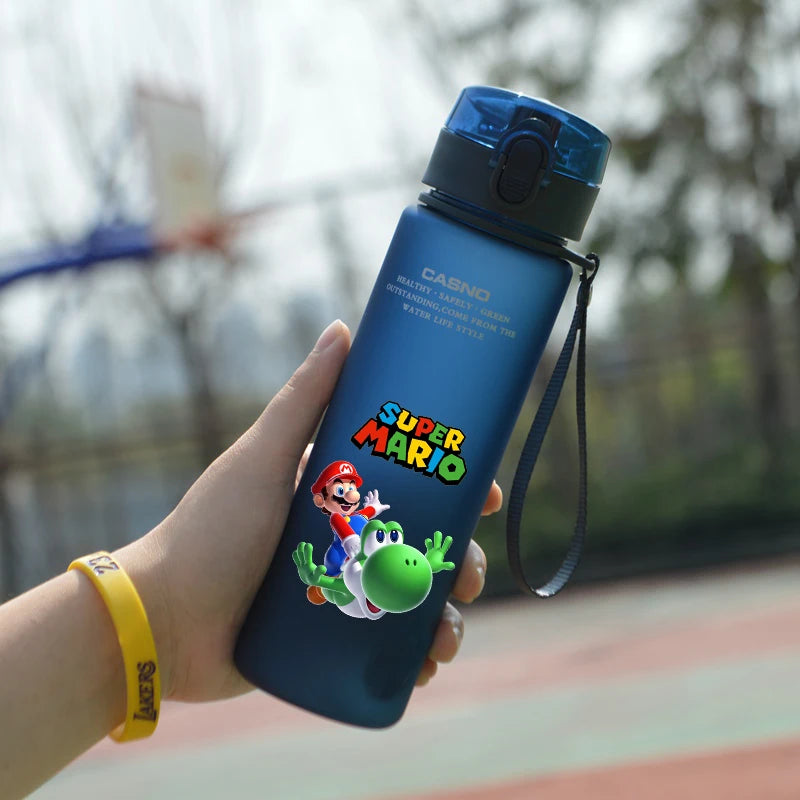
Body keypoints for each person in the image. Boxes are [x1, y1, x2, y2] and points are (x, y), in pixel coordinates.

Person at [0, 320, 500, 799]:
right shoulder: (341, 522)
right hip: (346, 566)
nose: (349, 492)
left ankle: (331, 584)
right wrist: (163, 615)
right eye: (340, 489)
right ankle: (322, 582)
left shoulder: (364, 510)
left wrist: (166, 619)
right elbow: (350, 530)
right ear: (327, 497)